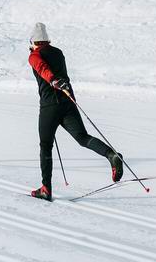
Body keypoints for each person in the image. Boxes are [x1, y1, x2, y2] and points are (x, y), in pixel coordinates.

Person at [27, 22, 123, 201]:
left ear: (33, 41)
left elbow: (42, 68)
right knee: (83, 138)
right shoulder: (58, 52)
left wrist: (53, 81)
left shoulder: (34, 55)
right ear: (47, 39)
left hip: (50, 105)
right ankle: (112, 155)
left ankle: (45, 188)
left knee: (45, 145)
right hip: (68, 101)